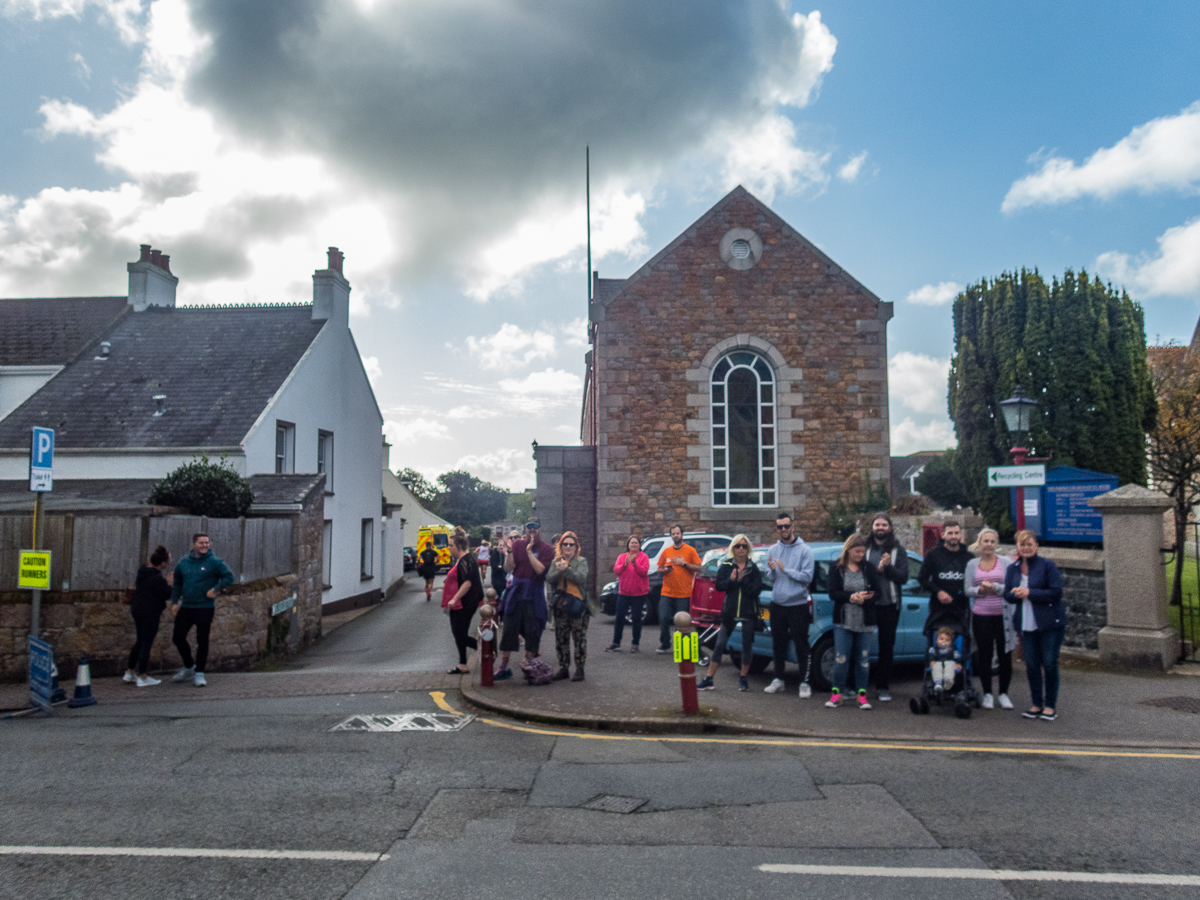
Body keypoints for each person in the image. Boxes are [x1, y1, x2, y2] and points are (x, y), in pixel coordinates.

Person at [1004, 530, 1066, 721]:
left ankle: (1050, 706)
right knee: (1031, 665)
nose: (1026, 548)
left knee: (1048, 663)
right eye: (1022, 545)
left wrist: (1030, 593)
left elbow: (1056, 593)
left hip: (1049, 622)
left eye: (1029, 544)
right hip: (1025, 622)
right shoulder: (1012, 569)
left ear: (1036, 546)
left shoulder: (1047, 565)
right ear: (1018, 547)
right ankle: (1036, 704)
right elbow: (1007, 595)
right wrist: (1015, 594)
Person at [696, 535, 763, 692]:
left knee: (747, 646)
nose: (740, 549)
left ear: (748, 549)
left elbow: (756, 591)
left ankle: (743, 678)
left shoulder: (753, 569)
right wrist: (732, 580)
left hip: (748, 612)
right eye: (738, 546)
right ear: (733, 548)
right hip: (729, 611)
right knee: (719, 645)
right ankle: (709, 678)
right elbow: (720, 586)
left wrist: (743, 581)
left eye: (744, 546)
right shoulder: (726, 566)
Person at [170, 533, 234, 688]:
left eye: (207, 543)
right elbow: (177, 583)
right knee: (177, 637)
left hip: (205, 607)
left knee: (202, 640)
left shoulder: (214, 562)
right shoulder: (184, 562)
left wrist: (216, 589)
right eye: (201, 543)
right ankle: (189, 666)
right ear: (194, 545)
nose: (205, 545)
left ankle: (199, 673)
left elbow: (229, 577)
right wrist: (174, 602)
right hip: (187, 606)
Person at [826, 533, 881, 710]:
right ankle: (837, 695)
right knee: (841, 658)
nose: (860, 555)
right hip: (843, 620)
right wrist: (851, 597)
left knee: (863, 660)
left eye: (862, 552)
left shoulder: (869, 568)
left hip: (865, 621)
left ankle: (861, 696)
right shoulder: (836, 568)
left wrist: (865, 599)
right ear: (848, 550)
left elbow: (877, 592)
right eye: (857, 552)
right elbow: (833, 593)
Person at [763, 513, 815, 698]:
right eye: (780, 527)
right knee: (778, 643)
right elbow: (771, 577)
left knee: (801, 644)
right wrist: (772, 569)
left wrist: (786, 570)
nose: (783, 530)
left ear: (793, 527)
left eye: (786, 526)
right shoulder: (773, 549)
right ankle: (778, 679)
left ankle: (805, 682)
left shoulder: (805, 551)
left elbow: (807, 577)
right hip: (777, 604)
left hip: (797, 604)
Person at [496, 518, 554, 680]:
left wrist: (529, 552)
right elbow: (509, 568)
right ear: (525, 529)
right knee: (508, 628)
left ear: (540, 529)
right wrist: (508, 551)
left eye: (535, 527)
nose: (532, 530)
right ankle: (504, 667)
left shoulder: (546, 549)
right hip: (516, 591)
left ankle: (530, 665)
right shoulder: (517, 545)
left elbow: (540, 569)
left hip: (534, 592)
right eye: (529, 527)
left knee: (533, 629)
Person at [965, 527, 1016, 710]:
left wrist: (995, 587)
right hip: (981, 615)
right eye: (985, 541)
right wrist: (979, 590)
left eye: (992, 541)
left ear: (997, 543)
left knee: (1005, 655)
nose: (989, 545)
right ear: (980, 543)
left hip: (1003, 616)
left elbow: (1011, 587)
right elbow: (967, 590)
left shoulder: (1006, 562)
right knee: (984, 656)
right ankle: (987, 694)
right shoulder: (972, 565)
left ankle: (1003, 694)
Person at [864, 512, 909, 703]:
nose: (880, 528)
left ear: (889, 528)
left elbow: (904, 577)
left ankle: (882, 686)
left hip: (890, 605)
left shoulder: (898, 550)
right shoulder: (864, 548)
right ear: (872, 527)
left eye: (884, 525)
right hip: (868, 604)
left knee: (886, 647)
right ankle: (856, 685)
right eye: (877, 525)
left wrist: (888, 567)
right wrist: (877, 570)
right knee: (861, 646)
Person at [123, 545, 172, 687]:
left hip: (137, 609)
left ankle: (130, 671)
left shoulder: (143, 571)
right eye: (167, 562)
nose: (167, 564)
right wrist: (169, 584)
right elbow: (167, 594)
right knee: (147, 643)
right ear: (162, 563)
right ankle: (142, 675)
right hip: (150, 612)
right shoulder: (156, 578)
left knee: (140, 640)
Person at [547, 531, 593, 681]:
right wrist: (559, 571)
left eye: (571, 544)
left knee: (579, 638)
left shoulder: (581, 561)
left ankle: (580, 669)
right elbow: (549, 578)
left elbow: (581, 578)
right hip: (560, 605)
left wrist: (566, 570)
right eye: (565, 544)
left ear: (576, 546)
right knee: (561, 638)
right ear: (560, 546)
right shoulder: (556, 561)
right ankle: (563, 668)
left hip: (577, 605)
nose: (568, 546)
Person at [917, 520, 973, 639]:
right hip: (939, 610)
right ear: (943, 535)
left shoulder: (969, 557)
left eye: (956, 533)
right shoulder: (933, 555)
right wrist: (938, 592)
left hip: (961, 609)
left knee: (961, 650)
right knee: (938, 648)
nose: (953, 536)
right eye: (950, 533)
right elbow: (922, 578)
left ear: (961, 534)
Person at [656, 525, 701, 654]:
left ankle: (682, 646)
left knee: (682, 622)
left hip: (684, 593)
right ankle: (665, 644)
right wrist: (664, 571)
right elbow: (659, 569)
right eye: (673, 534)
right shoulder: (666, 551)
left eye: (677, 533)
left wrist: (684, 564)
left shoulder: (690, 550)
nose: (675, 536)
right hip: (667, 592)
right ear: (671, 536)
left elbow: (699, 568)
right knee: (663, 618)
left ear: (682, 534)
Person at [444, 532, 484, 674]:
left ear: (459, 546)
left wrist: (454, 598)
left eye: (451, 545)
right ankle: (462, 664)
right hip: (464, 602)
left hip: (465, 602)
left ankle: (486, 649)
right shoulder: (464, 560)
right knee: (458, 633)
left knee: (460, 634)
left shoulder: (465, 561)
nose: (448, 548)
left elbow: (467, 583)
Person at [607, 535, 650, 652]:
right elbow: (616, 570)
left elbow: (644, 572)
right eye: (632, 543)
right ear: (628, 545)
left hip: (639, 593)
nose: (634, 545)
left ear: (639, 545)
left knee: (636, 618)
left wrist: (635, 564)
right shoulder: (622, 557)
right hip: (624, 592)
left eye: (636, 543)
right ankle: (616, 642)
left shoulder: (644, 557)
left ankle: (635, 644)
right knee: (619, 617)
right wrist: (625, 564)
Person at [927, 625, 963, 691]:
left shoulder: (952, 651)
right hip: (938, 663)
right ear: (936, 641)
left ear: (950, 642)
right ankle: (938, 683)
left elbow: (957, 658)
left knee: (951, 664)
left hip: (949, 665)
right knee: (936, 665)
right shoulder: (933, 650)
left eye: (947, 640)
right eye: (941, 639)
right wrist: (931, 661)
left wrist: (958, 663)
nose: (944, 641)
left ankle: (948, 681)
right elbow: (930, 657)